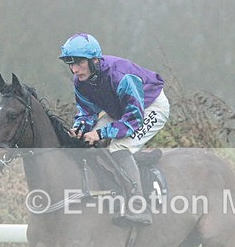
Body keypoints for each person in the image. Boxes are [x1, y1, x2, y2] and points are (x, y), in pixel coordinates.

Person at [59, 33, 170, 225]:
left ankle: (139, 207)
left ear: (94, 60)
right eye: (70, 64)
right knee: (86, 139)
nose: (74, 70)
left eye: (79, 63)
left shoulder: (121, 76)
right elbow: (86, 112)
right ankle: (112, 189)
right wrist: (79, 128)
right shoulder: (80, 82)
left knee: (119, 148)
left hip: (150, 108)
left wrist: (101, 133)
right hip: (119, 109)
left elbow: (133, 119)